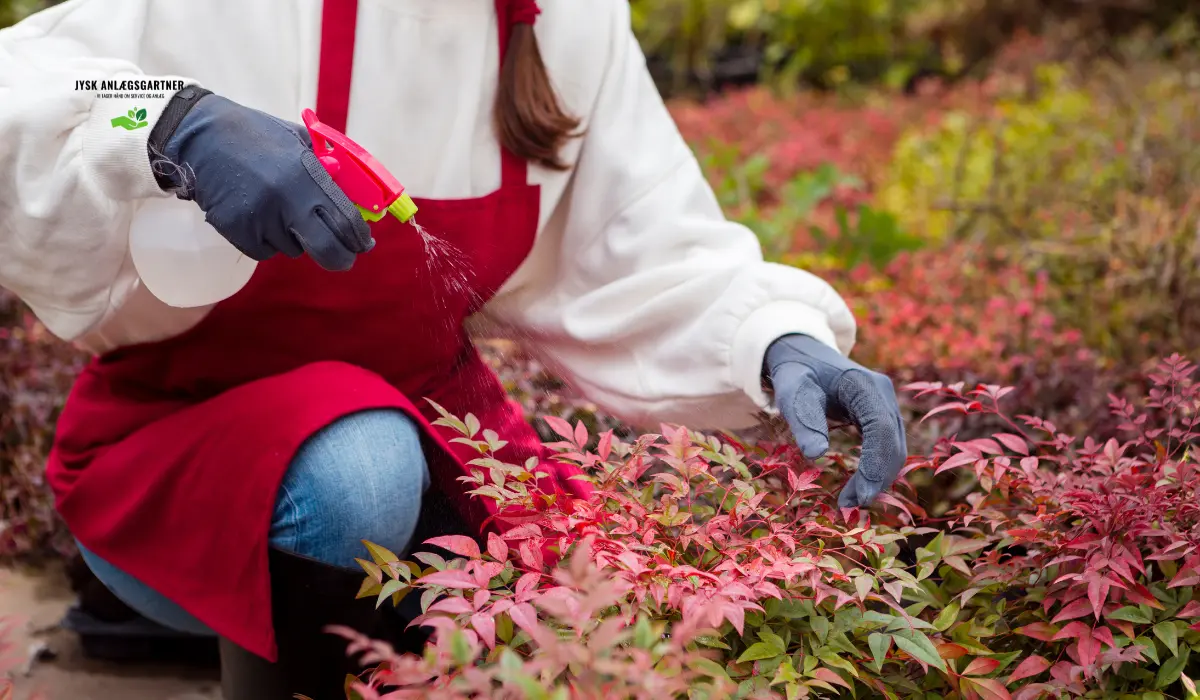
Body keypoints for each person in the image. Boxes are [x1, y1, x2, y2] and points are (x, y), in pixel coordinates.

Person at [0, 0, 908, 697]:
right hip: (170, 455)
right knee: (357, 466)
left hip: (438, 446)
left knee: (583, 592)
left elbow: (649, 243)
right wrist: (168, 122)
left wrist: (779, 340)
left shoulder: (565, 24)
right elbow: (34, 83)